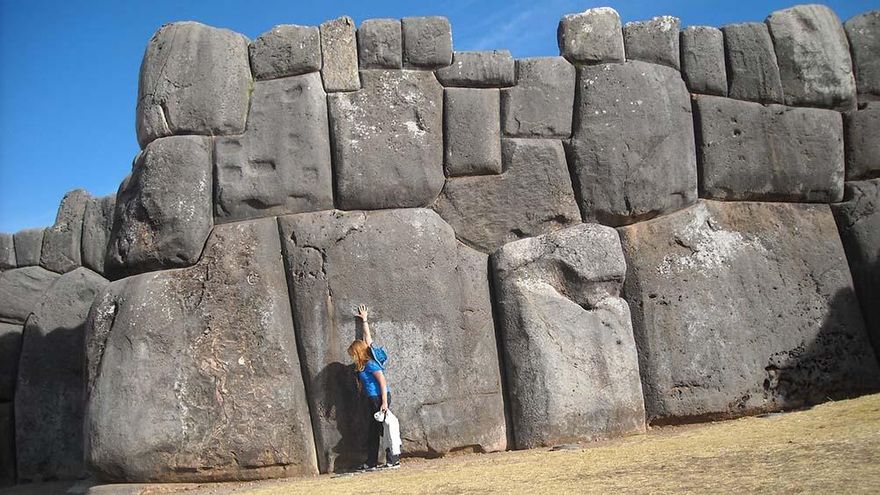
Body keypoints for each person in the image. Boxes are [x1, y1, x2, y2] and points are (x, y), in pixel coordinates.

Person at [347, 305, 400, 470]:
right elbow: (367, 338)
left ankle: (391, 460)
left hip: (379, 397)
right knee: (374, 429)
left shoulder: (370, 363)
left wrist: (384, 402)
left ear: (358, 353)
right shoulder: (364, 361)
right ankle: (373, 462)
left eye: (353, 354)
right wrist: (364, 320)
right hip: (372, 399)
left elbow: (382, 382)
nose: (352, 357)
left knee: (383, 428)